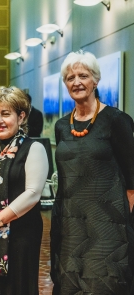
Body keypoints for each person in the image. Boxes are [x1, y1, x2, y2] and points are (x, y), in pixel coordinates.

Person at [51, 50, 134, 294]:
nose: (76, 82)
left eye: (83, 76)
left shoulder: (116, 120)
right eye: (70, 77)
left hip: (107, 223)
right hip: (69, 221)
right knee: (70, 283)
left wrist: (123, 218)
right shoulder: (61, 126)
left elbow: (132, 174)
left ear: (95, 80)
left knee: (104, 283)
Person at [0, 86, 48, 294]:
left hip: (20, 234)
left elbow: (32, 193)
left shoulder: (33, 148)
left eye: (6, 114)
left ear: (21, 117)